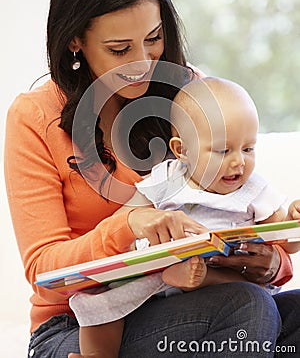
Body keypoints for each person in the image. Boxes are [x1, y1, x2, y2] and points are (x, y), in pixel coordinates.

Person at [3, 0, 300, 358]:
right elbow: (43, 268)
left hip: (193, 296)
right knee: (244, 309)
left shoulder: (189, 93)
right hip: (82, 327)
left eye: (154, 38)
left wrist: (271, 264)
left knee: (276, 309)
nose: (144, 61)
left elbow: (241, 202)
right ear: (75, 41)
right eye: (119, 49)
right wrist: (129, 225)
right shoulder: (34, 117)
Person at [69, 76, 300, 357]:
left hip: (226, 278)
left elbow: (284, 239)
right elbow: (126, 220)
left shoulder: (253, 189)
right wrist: (139, 231)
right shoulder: (166, 179)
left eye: (248, 149)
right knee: (102, 303)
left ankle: (202, 279)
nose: (239, 161)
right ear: (182, 151)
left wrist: (294, 217)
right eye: (223, 150)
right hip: (162, 282)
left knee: (258, 297)